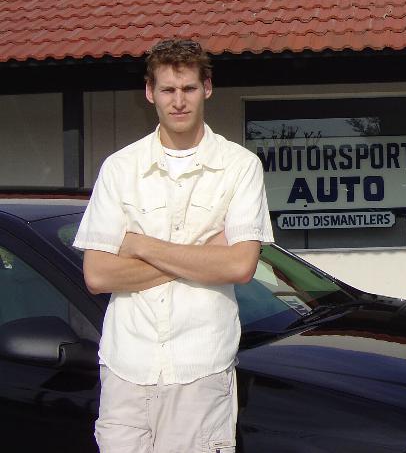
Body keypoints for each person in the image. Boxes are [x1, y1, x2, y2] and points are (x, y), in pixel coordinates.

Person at [74, 38, 273, 453]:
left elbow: (240, 267)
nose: (178, 101)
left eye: (188, 89)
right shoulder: (120, 169)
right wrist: (203, 254)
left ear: (207, 88)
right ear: (150, 92)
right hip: (126, 370)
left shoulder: (240, 167)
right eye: (167, 90)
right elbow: (98, 275)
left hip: (201, 371)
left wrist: (138, 244)